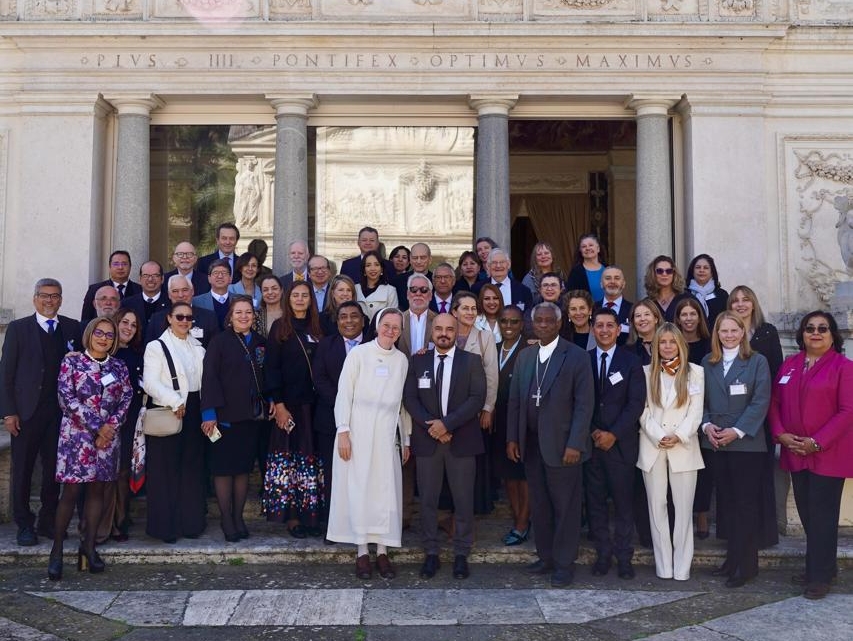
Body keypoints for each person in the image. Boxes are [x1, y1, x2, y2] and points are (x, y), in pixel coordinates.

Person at [506, 302, 594, 588]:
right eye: (538, 321)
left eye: (548, 321)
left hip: (564, 447)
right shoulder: (525, 356)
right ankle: (546, 558)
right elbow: (516, 401)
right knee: (540, 506)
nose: (542, 325)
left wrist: (576, 444)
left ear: (558, 324)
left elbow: (584, 406)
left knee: (566, 508)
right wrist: (512, 438)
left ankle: (564, 564)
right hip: (531, 445)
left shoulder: (577, 356)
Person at [769, 311, 853, 600]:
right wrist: (780, 434)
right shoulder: (790, 365)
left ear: (833, 335)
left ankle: (819, 577)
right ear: (802, 334)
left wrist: (816, 442)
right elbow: (774, 403)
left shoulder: (844, 367)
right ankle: (822, 567)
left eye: (822, 328)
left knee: (822, 515)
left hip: (828, 454)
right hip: (795, 451)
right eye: (810, 328)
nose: (815, 333)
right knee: (807, 513)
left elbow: (847, 412)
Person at [327, 308, 410, 580]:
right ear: (377, 326)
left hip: (387, 436)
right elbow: (344, 394)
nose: (390, 331)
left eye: (396, 327)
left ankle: (383, 551)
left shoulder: (401, 361)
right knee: (360, 489)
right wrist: (343, 431)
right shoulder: (358, 354)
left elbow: (402, 406)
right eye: (386, 325)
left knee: (385, 493)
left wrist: (406, 438)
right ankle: (362, 551)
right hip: (358, 432)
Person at [48, 317, 132, 580]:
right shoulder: (71, 361)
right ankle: (57, 550)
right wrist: (98, 427)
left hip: (107, 440)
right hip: (77, 439)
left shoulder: (118, 366)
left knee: (98, 492)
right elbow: (66, 398)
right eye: (99, 332)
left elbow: (127, 398)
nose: (104, 338)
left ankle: (88, 549)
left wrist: (110, 428)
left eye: (109, 334)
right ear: (89, 334)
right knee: (71, 493)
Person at [403, 314, 486, 581]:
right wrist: (433, 427)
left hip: (461, 440)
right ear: (432, 332)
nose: (443, 333)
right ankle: (431, 553)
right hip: (428, 441)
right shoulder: (418, 361)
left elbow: (477, 398)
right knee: (427, 499)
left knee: (463, 500)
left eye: (449, 329)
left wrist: (447, 425)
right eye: (438, 328)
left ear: (456, 332)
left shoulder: (471, 361)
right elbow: (410, 398)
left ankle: (461, 554)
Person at [1, 278, 82, 547]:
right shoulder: (18, 328)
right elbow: (6, 374)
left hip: (61, 414)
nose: (49, 301)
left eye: (55, 296)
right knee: (23, 470)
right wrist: (9, 412)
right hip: (26, 413)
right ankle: (24, 524)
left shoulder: (72, 328)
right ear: (35, 298)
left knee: (53, 470)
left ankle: (48, 520)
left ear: (61, 299)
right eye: (44, 296)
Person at [700, 311, 771, 588]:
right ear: (716, 334)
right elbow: (699, 398)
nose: (729, 335)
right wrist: (706, 426)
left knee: (745, 505)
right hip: (715, 441)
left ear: (743, 333)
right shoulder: (708, 362)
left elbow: (760, 401)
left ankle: (747, 565)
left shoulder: (757, 362)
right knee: (727, 504)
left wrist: (737, 431)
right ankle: (732, 560)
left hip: (746, 444)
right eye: (723, 331)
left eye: (734, 330)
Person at [637, 323, 704, 581]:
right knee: (657, 507)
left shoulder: (695, 373)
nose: (667, 346)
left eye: (672, 342)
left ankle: (682, 567)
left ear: (680, 344)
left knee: (684, 509)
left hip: (683, 446)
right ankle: (663, 566)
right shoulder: (645, 372)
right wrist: (658, 434)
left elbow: (696, 411)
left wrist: (679, 435)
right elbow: (642, 409)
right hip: (653, 446)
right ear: (656, 346)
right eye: (662, 342)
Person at [585, 307, 646, 580]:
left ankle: (624, 557)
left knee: (623, 504)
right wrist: (594, 432)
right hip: (591, 445)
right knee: (595, 504)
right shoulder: (582, 360)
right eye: (599, 325)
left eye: (610, 325)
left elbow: (636, 404)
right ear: (592, 328)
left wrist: (613, 434)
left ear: (619, 329)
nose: (605, 330)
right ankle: (603, 554)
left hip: (621, 446)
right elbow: (576, 403)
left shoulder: (630, 361)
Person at [263, 281, 325, 538]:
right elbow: (271, 368)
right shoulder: (280, 328)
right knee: (290, 463)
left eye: (305, 296)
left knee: (312, 462)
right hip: (289, 407)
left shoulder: (321, 327)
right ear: (288, 300)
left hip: (316, 406)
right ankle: (292, 517)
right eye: (295, 295)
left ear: (312, 300)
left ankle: (312, 515)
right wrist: (278, 405)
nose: (300, 299)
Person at [201, 296, 265, 542]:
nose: (244, 316)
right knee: (223, 470)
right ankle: (227, 519)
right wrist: (209, 413)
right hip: (224, 417)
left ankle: (239, 517)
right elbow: (209, 379)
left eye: (248, 312)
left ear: (254, 316)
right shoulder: (219, 342)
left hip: (251, 417)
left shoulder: (261, 343)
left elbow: (266, 374)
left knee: (242, 470)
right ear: (230, 316)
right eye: (239, 312)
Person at [141, 301, 206, 543]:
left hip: (195, 409)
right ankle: (164, 527)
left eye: (189, 318)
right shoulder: (155, 346)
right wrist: (174, 401)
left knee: (191, 469)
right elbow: (149, 382)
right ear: (169, 318)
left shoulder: (198, 346)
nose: (185, 322)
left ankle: (190, 524)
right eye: (179, 317)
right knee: (165, 472)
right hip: (169, 409)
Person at [725, 285, 781, 549]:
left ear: (753, 303)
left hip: (761, 416)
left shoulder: (767, 332)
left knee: (760, 478)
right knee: (735, 484)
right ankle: (736, 538)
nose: (740, 304)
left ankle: (763, 534)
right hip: (729, 420)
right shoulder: (726, 334)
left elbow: (777, 373)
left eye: (746, 300)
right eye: (735, 301)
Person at [451, 291, 499, 515]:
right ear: (454, 311)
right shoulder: (443, 333)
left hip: (474, 410)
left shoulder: (484, 337)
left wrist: (488, 408)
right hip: (447, 410)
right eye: (465, 308)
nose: (470, 312)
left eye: (473, 309)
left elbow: (491, 374)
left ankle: (473, 511)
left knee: (473, 463)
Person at [99, 308, 145, 543]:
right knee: (103, 475)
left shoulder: (139, 355)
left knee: (123, 473)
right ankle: (99, 523)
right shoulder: (100, 352)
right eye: (124, 322)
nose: (128, 327)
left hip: (129, 421)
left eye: (134, 325)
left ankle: (119, 521)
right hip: (100, 424)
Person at [396, 273, 437, 529]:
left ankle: (434, 517)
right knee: (404, 457)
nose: (419, 294)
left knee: (430, 459)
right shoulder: (395, 320)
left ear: (430, 295)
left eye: (424, 290)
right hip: (399, 397)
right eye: (414, 289)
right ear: (407, 293)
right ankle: (404, 515)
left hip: (431, 398)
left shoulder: (441, 321)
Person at [674, 296, 713, 539]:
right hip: (676, 411)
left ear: (699, 317)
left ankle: (702, 513)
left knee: (703, 465)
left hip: (704, 409)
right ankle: (682, 512)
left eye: (693, 314)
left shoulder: (710, 344)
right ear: (677, 318)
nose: (688, 319)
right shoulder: (672, 343)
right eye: (684, 314)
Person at [492, 305, 529, 546]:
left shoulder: (530, 350)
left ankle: (523, 522)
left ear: (522, 324)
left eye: (514, 322)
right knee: (508, 477)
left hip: (522, 422)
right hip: (497, 423)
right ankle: (518, 517)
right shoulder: (492, 349)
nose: (508, 326)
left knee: (524, 476)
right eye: (504, 321)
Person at [145, 274, 219, 349]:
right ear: (169, 294)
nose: (180, 295)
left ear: (192, 291)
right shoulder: (156, 319)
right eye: (175, 291)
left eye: (185, 290)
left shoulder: (209, 318)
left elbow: (216, 350)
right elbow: (150, 349)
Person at [81, 250, 142, 324]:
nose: (120, 267)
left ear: (130, 267)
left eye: (124, 264)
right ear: (109, 267)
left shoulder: (139, 290)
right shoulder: (94, 289)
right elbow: (85, 320)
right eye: (116, 264)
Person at [122, 261, 168, 332]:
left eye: (155, 275)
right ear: (140, 279)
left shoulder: (170, 303)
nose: (150, 279)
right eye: (146, 275)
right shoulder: (127, 304)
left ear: (162, 279)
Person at [643, 255, 692, 322]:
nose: (664, 274)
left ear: (674, 274)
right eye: (660, 271)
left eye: (669, 271)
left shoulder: (687, 298)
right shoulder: (647, 303)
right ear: (653, 274)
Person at [686, 253, 728, 329]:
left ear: (712, 272)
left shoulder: (722, 295)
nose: (701, 270)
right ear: (692, 271)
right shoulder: (684, 294)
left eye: (706, 268)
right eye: (698, 267)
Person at [355, 250, 398, 322]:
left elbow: (393, 318)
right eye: (368, 265)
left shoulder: (390, 291)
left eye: (376, 265)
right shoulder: (355, 289)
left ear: (382, 269)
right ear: (364, 270)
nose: (372, 269)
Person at [595, 265, 633, 346]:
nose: (612, 281)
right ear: (601, 284)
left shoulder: (633, 310)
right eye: (608, 278)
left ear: (623, 284)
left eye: (617, 278)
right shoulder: (592, 309)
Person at [193, 259, 232, 330]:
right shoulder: (196, 302)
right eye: (216, 273)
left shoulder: (239, 300)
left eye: (224, 273)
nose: (220, 276)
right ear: (209, 278)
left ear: (230, 278)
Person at [565, 234, 606, 301]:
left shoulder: (607, 269)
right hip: (587, 311)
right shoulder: (576, 272)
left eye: (591, 245)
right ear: (580, 251)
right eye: (584, 246)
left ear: (598, 249)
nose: (587, 248)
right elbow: (571, 297)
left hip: (609, 310)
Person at [393, 242, 431, 311]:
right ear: (410, 259)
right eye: (415, 258)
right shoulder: (397, 281)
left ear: (430, 259)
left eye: (423, 258)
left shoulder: (436, 280)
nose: (418, 261)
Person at [627, 298, 664, 365]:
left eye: (647, 314)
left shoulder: (668, 346)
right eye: (638, 316)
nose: (642, 319)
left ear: (656, 319)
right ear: (633, 322)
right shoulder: (626, 351)